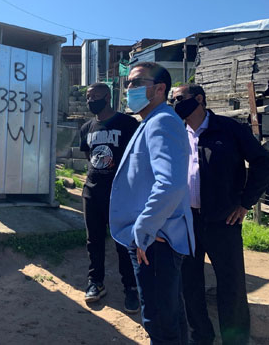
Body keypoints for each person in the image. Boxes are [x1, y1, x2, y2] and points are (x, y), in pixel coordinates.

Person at [171, 84, 269, 344]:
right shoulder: (176, 133)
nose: (175, 104)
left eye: (180, 99)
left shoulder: (228, 129)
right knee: (189, 285)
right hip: (186, 222)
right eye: (172, 100)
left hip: (223, 221)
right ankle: (201, 335)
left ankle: (235, 340)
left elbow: (262, 161)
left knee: (232, 286)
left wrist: (245, 203)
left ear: (199, 99)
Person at [109, 62, 194, 344]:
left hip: (155, 241)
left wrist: (143, 231)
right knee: (170, 315)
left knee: (158, 320)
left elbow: (170, 183)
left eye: (135, 83)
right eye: (128, 83)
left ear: (159, 89)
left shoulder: (162, 121)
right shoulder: (151, 121)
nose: (128, 89)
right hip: (156, 239)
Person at [79, 82, 140, 313]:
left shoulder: (127, 123)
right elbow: (89, 156)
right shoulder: (86, 127)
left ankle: (131, 288)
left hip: (121, 194)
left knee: (123, 242)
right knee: (93, 241)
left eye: (94, 96)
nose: (90, 100)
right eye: (87, 97)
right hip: (92, 192)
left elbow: (136, 155)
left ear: (107, 98)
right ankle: (95, 282)